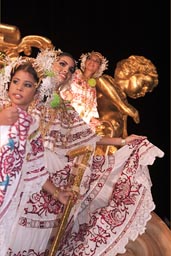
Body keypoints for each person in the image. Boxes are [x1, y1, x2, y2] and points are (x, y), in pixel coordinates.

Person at [27, 49, 163, 256]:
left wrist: (124, 141)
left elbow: (88, 136)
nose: (66, 70)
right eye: (61, 64)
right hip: (22, 160)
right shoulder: (30, 89)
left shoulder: (65, 107)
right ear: (49, 64)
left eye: (71, 68)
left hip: (50, 167)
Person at [0, 56, 73, 255]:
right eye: (15, 82)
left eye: (27, 85)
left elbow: (35, 167)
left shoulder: (31, 124)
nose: (19, 88)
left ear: (36, 92)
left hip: (11, 194)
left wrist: (57, 193)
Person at [95, 55, 159, 154]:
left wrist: (126, 144)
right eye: (144, 84)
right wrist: (126, 108)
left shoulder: (124, 100)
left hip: (113, 142)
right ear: (130, 72)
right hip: (101, 135)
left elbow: (124, 131)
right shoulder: (106, 81)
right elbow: (100, 82)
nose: (143, 91)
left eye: (146, 91)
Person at [61, 51, 108, 131]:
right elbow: (60, 85)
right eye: (90, 58)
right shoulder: (74, 73)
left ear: (99, 67)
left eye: (96, 61)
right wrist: (65, 94)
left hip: (81, 122)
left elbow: (92, 107)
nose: (92, 61)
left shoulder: (92, 87)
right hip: (65, 114)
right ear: (85, 61)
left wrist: (94, 120)